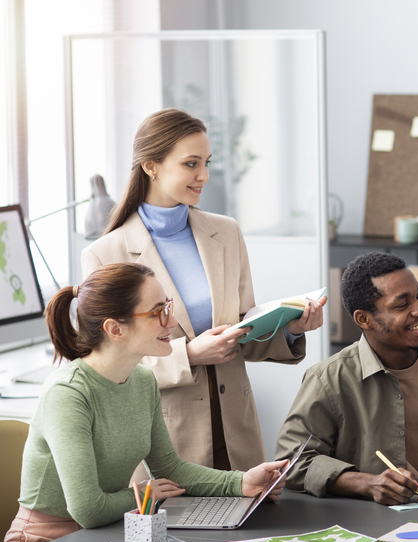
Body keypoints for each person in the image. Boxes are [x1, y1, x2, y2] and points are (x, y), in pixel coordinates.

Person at [82, 108, 326, 472]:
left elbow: (244, 332)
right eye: (191, 164)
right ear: (151, 166)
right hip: (167, 440)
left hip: (237, 435)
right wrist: (189, 355)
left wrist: (290, 328)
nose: (205, 176)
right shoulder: (106, 254)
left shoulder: (226, 233)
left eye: (207, 163)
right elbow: (107, 368)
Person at [0, 264, 288, 542]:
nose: (171, 321)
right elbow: (88, 510)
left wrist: (241, 481)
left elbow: (170, 469)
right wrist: (142, 492)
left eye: (168, 307)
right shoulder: (68, 393)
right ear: (115, 329)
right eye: (157, 312)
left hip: (101, 534)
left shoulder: (142, 380)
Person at [275, 251, 418, 508]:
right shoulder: (329, 379)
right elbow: (294, 461)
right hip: (371, 522)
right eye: (402, 305)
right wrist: (366, 483)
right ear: (364, 319)